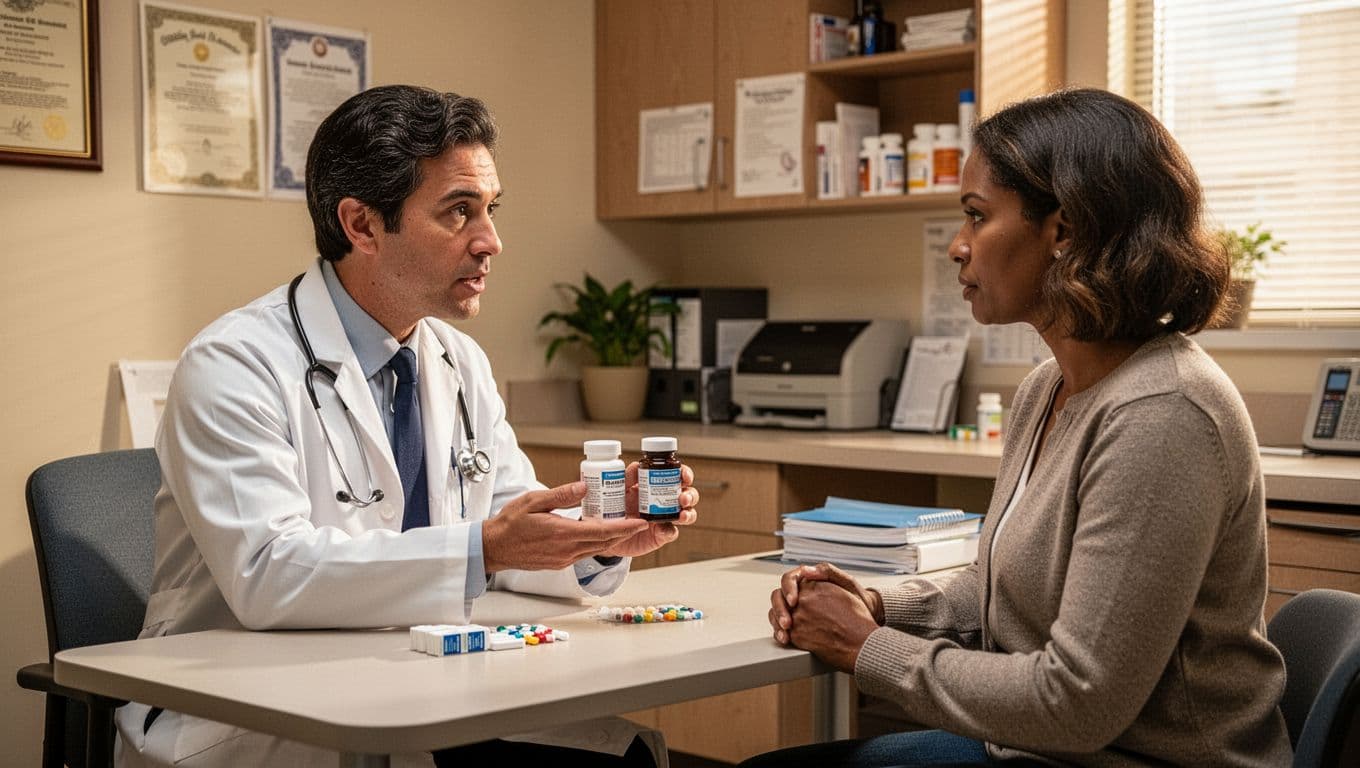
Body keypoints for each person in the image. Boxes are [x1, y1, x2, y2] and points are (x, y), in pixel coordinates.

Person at [114, 85, 699, 768]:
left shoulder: (457, 361)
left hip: (425, 684)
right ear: (362, 226)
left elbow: (508, 533)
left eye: (490, 209)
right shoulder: (234, 365)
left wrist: (599, 536)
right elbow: (269, 576)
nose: (492, 241)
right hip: (257, 710)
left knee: (621, 757)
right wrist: (487, 549)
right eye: (459, 211)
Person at [753, 89, 1292, 767]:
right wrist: (876, 605)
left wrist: (864, 647)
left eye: (977, 217)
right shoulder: (1048, 389)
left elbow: (1077, 700)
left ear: (1063, 231)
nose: (957, 247)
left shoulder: (1163, 413)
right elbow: (998, 589)